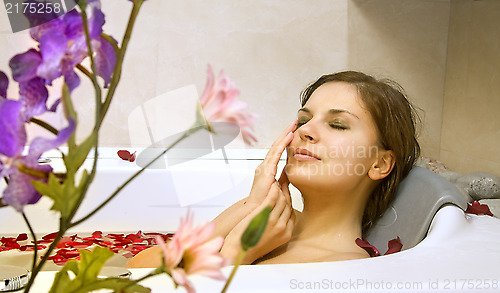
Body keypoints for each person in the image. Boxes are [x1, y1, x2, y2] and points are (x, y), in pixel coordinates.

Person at [128, 71, 420, 267]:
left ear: (380, 163)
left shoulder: (344, 267)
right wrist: (249, 207)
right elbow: (137, 268)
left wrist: (236, 255)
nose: (306, 132)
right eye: (303, 120)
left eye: (337, 124)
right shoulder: (265, 215)